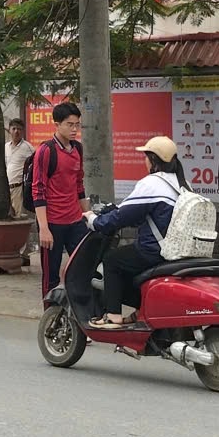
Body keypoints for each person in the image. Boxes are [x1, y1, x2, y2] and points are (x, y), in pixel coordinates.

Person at [82, 136, 185, 329]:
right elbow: (139, 213)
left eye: (146, 157)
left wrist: (95, 221)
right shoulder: (182, 184)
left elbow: (121, 217)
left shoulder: (152, 183)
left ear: (153, 160)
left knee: (112, 260)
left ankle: (113, 316)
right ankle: (142, 310)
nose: (144, 161)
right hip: (177, 251)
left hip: (155, 250)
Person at [32, 101, 91, 298]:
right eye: (69, 124)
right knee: (51, 276)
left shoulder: (78, 149)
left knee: (84, 268)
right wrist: (44, 228)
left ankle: (78, 314)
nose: (74, 129)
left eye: (77, 125)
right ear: (57, 124)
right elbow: (38, 190)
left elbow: (79, 185)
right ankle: (51, 319)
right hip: (53, 223)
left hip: (75, 220)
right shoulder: (46, 151)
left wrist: (88, 216)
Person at [4, 118, 35, 219]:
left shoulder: (28, 148)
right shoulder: (6, 147)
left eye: (19, 129)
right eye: (14, 129)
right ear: (9, 130)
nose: (16, 131)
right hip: (6, 188)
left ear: (23, 131)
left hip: (19, 188)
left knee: (18, 217)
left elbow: (34, 166)